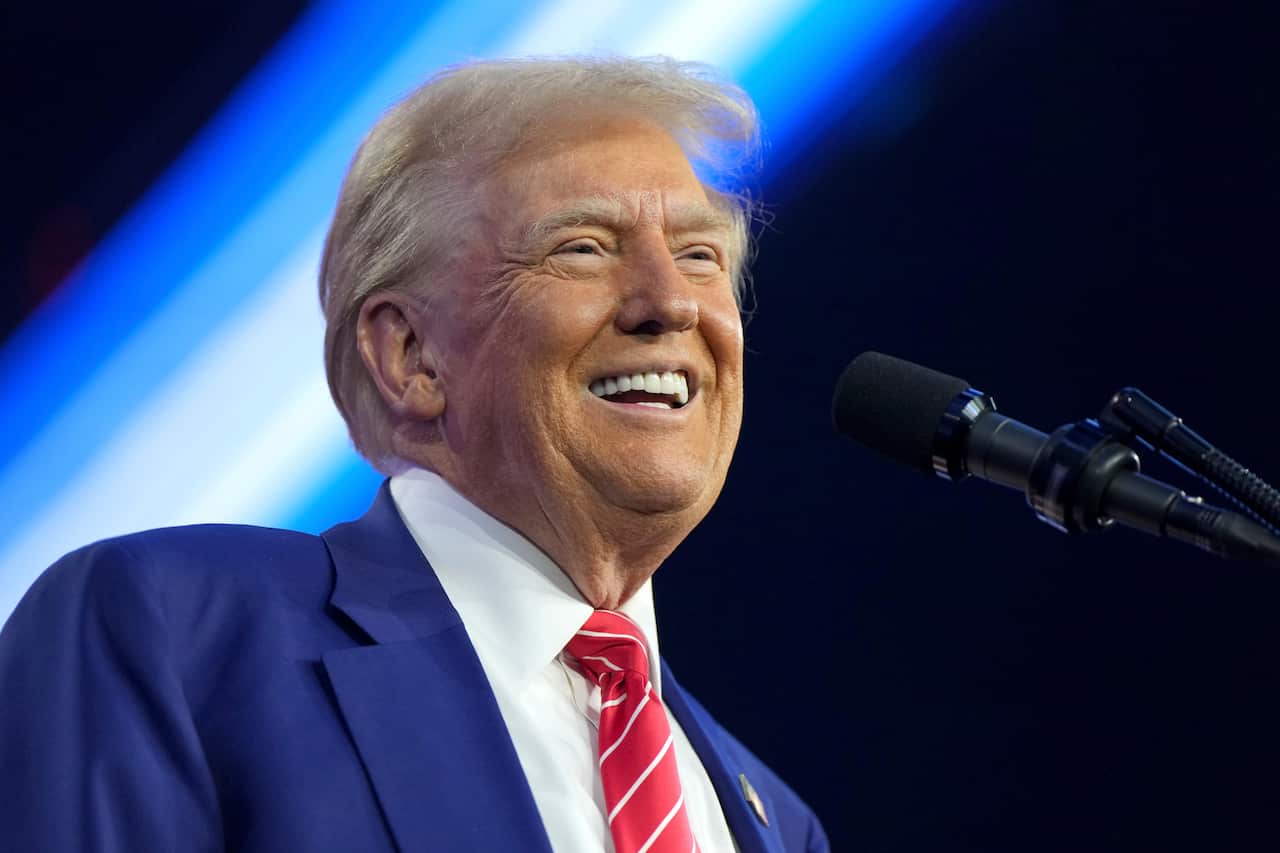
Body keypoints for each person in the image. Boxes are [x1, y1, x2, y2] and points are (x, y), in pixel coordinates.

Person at [0, 57, 829, 852]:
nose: (672, 301)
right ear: (410, 356)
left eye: (701, 255)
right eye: (583, 247)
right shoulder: (175, 633)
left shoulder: (773, 820)